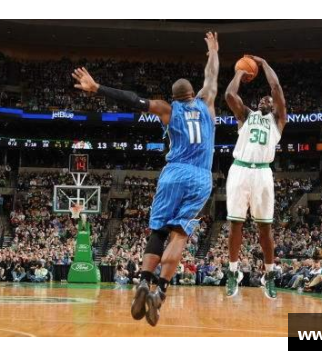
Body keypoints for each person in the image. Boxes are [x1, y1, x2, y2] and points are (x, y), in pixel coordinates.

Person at [72, 32, 219, 327]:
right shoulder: (207, 104)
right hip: (201, 176)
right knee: (180, 234)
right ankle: (160, 291)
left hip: (174, 172)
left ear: (175, 96)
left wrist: (97, 87)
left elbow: (132, 100)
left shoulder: (167, 109)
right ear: (195, 94)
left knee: (159, 232)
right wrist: (214, 51)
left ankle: (142, 282)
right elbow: (212, 77)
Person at [224, 55, 287, 299]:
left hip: (262, 172)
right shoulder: (247, 116)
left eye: (268, 99)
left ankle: (269, 274)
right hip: (239, 169)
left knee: (264, 228)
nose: (265, 99)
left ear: (274, 107)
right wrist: (241, 71)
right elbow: (230, 96)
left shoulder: (279, 122)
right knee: (235, 224)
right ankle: (232, 272)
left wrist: (262, 64)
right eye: (262, 98)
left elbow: (276, 87)